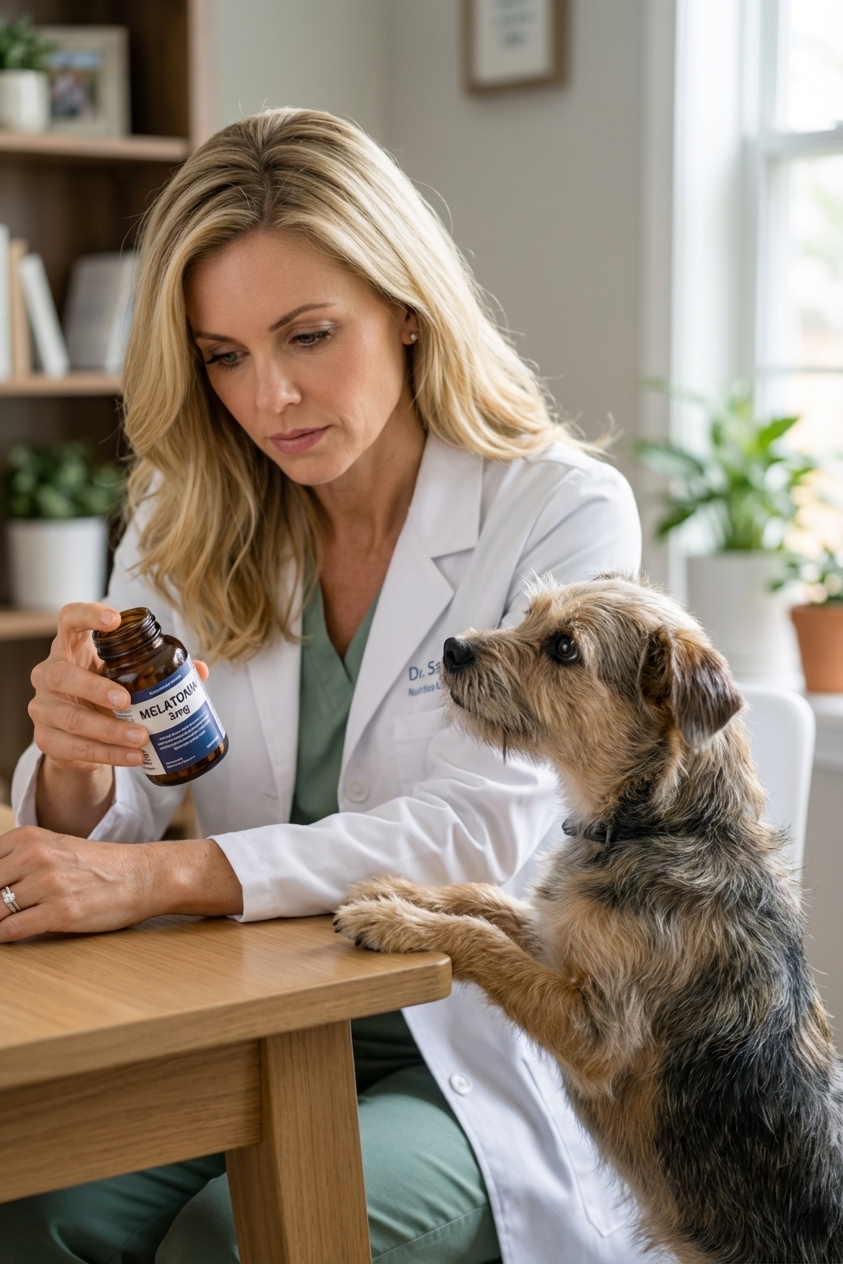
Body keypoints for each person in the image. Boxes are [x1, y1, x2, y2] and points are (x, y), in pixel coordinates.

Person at [0, 110, 647, 1264]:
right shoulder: (183, 506)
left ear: (406, 307)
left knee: (231, 1239)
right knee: (36, 1206)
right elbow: (123, 814)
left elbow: (473, 838)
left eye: (307, 336)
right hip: (240, 1021)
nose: (271, 400)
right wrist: (73, 769)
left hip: (474, 1033)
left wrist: (163, 872)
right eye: (226, 355)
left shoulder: (557, 511)